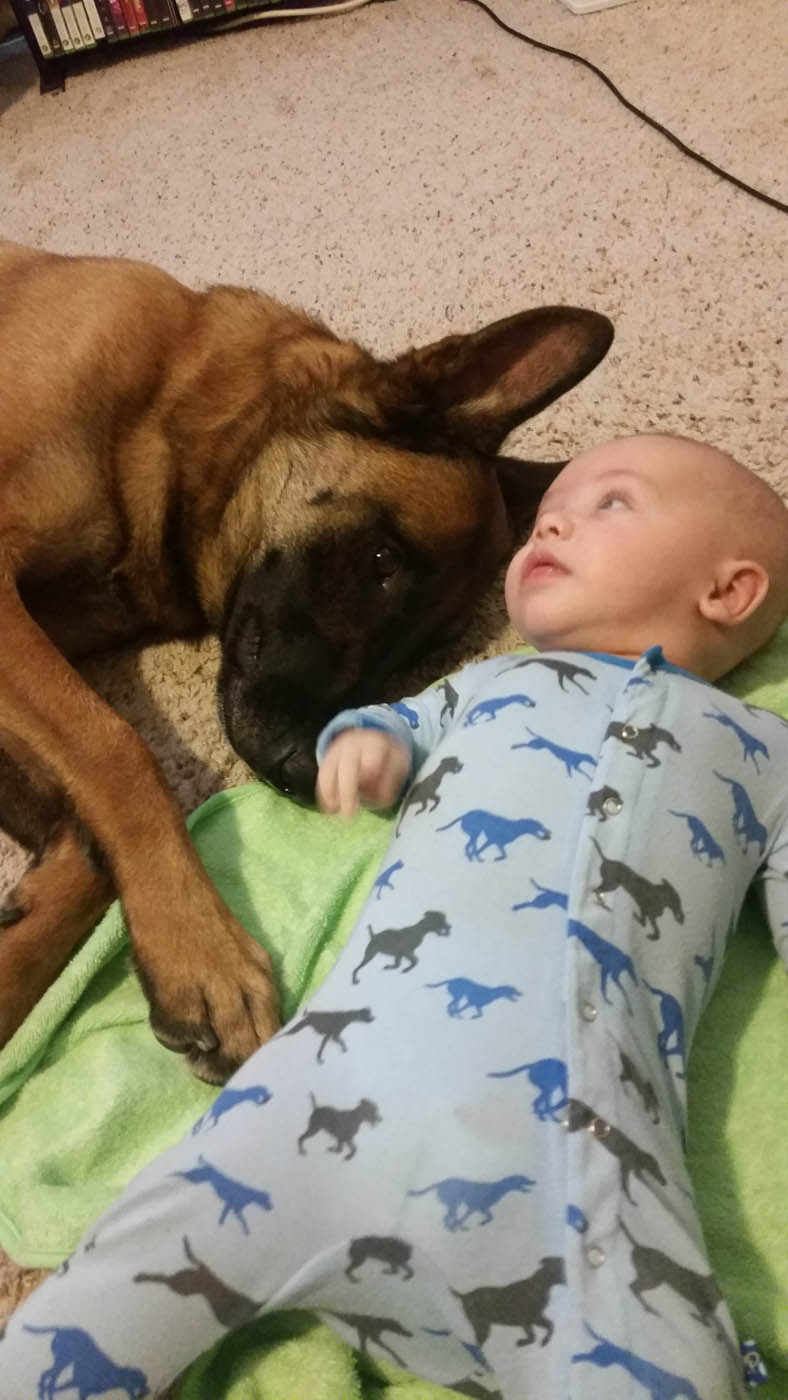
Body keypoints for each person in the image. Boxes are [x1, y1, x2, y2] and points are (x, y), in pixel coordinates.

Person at [2, 433, 787, 1400]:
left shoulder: (761, 746)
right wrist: (366, 745)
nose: (551, 518)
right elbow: (393, 727)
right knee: (108, 1292)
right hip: (318, 1104)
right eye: (552, 510)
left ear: (729, 593)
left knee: (682, 1369)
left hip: (583, 1175)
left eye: (610, 502)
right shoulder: (489, 685)